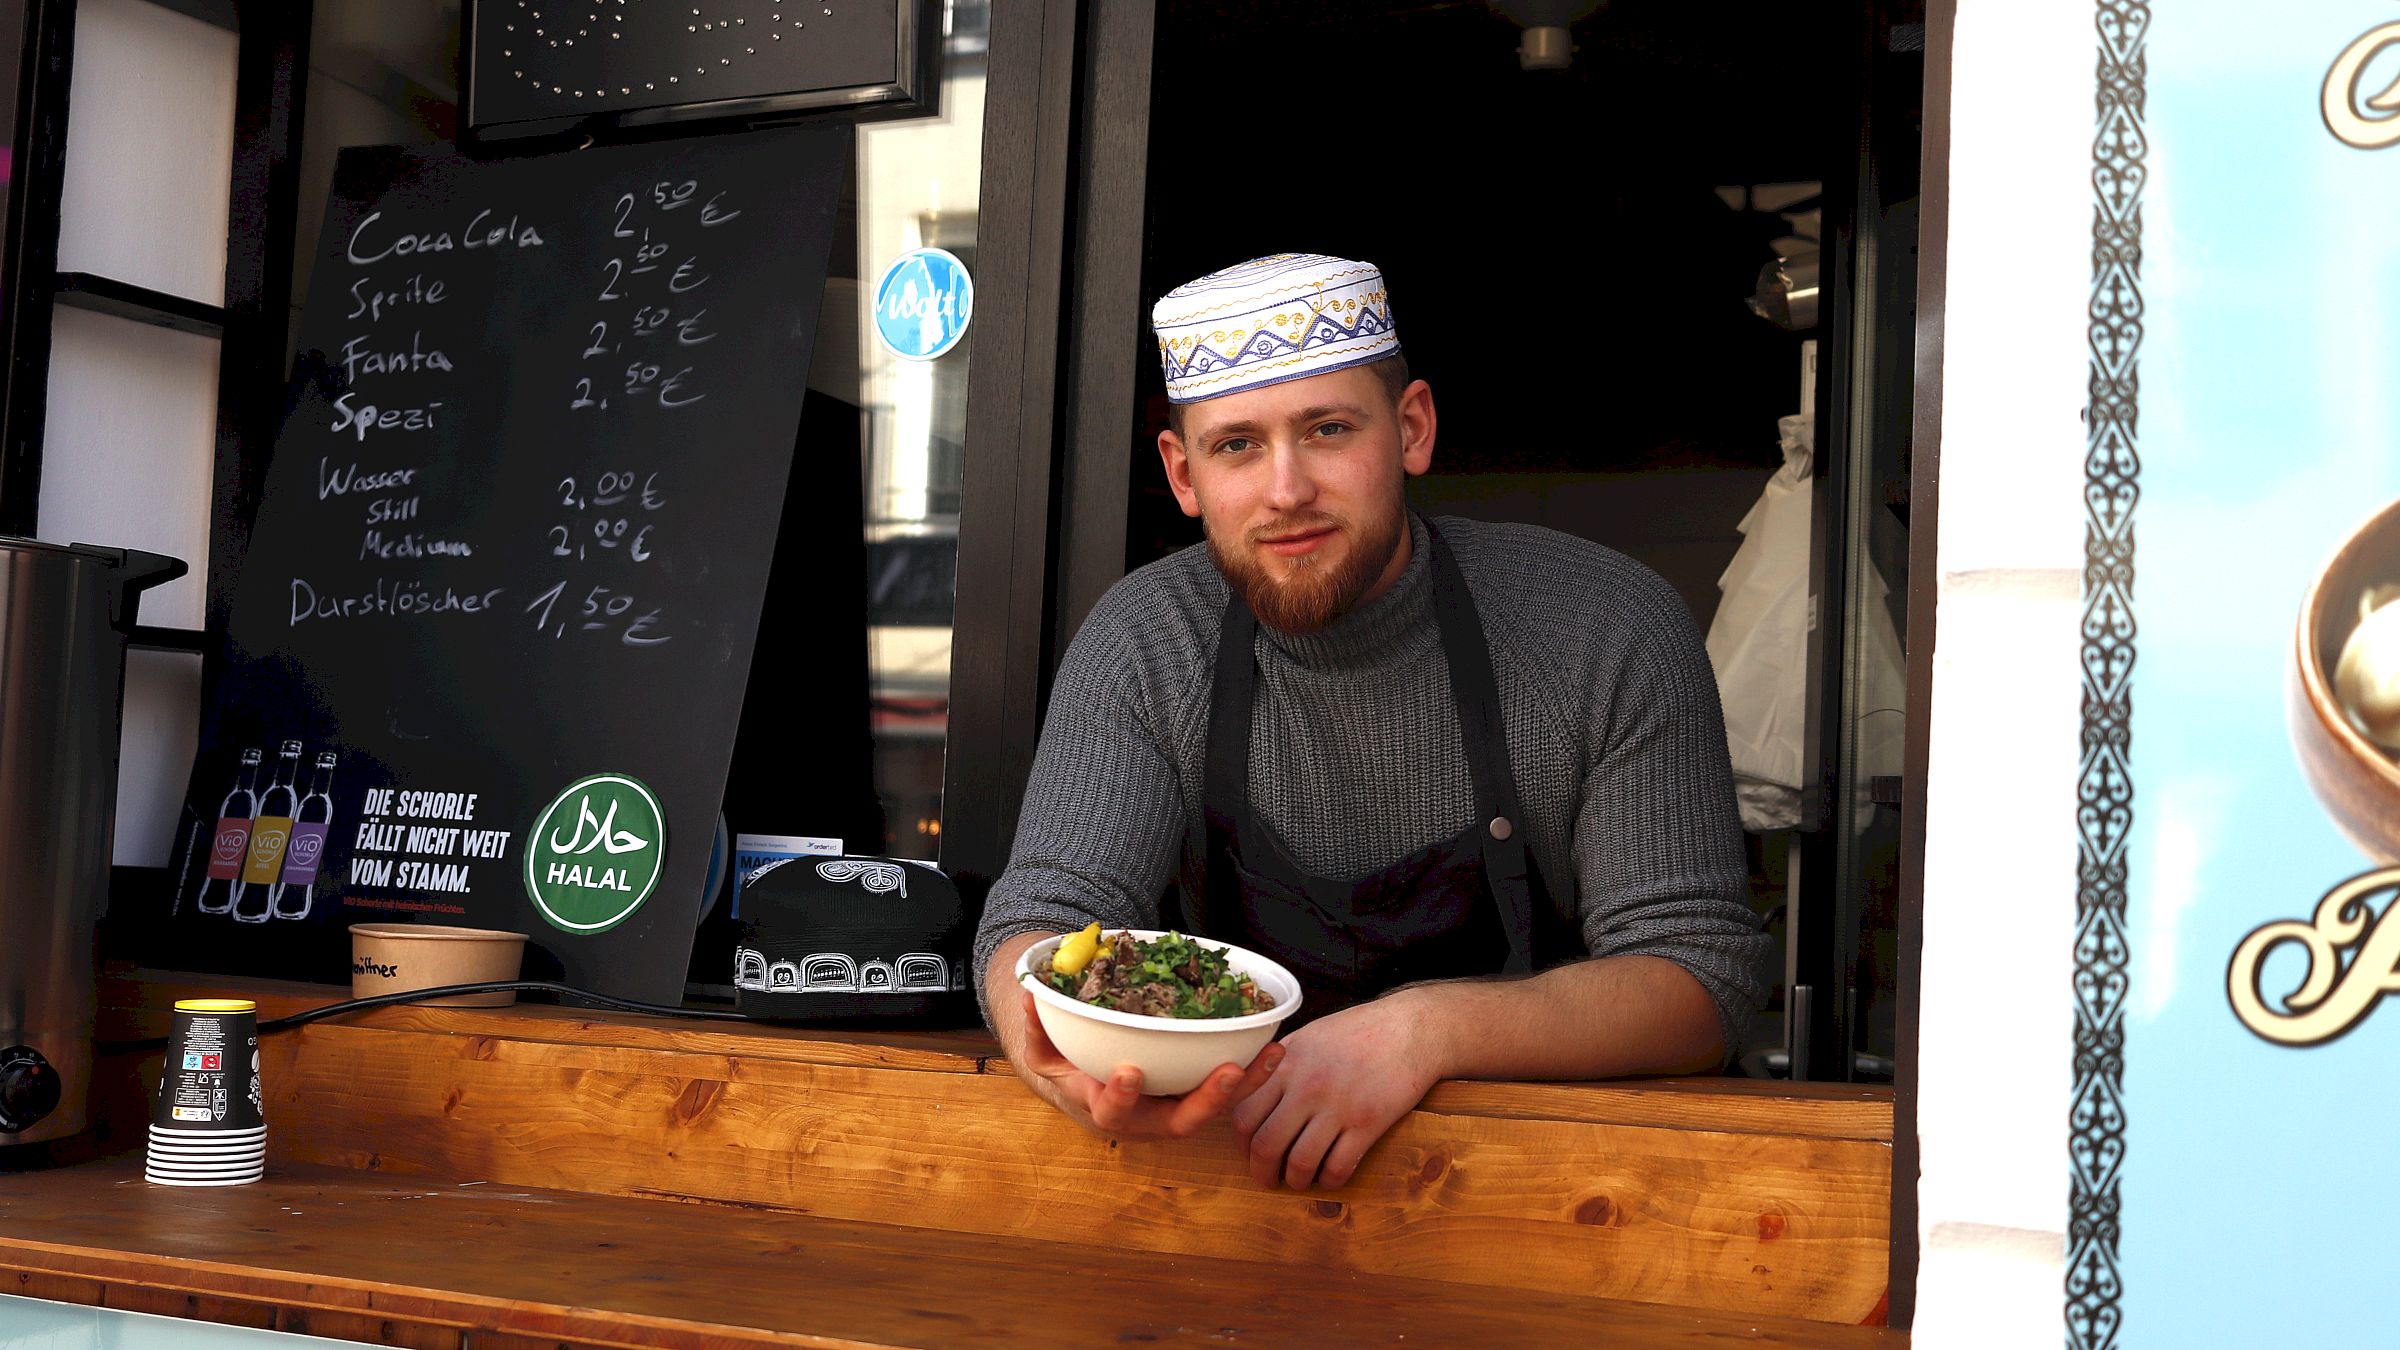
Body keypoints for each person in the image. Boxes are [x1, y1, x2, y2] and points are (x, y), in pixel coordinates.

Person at [974, 253, 1770, 1190]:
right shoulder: (1149, 641)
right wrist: (1053, 1057)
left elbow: (1702, 978)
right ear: (1183, 475)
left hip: (1573, 1195)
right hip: (1226, 1193)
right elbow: (1040, 922)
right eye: (1236, 446)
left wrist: (1423, 1031)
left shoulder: (1604, 624)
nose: (1286, 490)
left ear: (1412, 429)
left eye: (1327, 429)